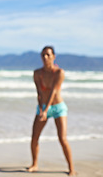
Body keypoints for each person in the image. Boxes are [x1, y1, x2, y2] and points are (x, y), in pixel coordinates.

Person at [27, 46, 76, 176]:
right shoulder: (37, 73)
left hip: (58, 108)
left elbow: (53, 92)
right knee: (34, 137)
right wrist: (42, 109)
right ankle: (34, 164)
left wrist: (46, 110)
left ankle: (71, 168)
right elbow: (39, 92)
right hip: (42, 107)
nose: (45, 57)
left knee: (62, 138)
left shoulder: (59, 72)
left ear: (54, 56)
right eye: (43, 55)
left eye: (48, 55)